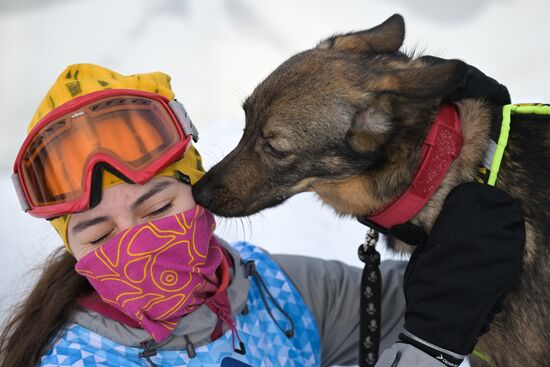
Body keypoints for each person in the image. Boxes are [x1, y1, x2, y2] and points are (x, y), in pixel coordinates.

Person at [1, 63, 524, 367]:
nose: (138, 245)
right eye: (99, 236)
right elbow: (434, 325)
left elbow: (417, 295)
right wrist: (428, 350)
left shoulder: (268, 290)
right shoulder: (81, 360)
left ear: (195, 193)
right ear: (74, 252)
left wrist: (426, 192)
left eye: (158, 207)